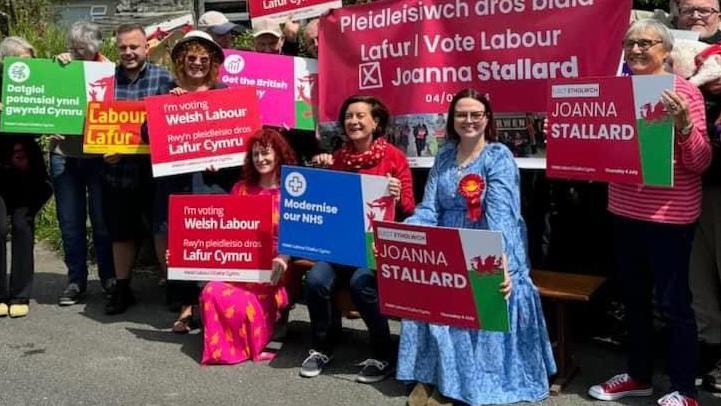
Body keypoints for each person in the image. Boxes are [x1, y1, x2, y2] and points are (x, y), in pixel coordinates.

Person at [396, 89, 555, 405]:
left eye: (475, 114)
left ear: (486, 118)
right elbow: (430, 208)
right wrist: (405, 233)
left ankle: (463, 381)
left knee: (479, 295)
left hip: (486, 243)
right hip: (447, 243)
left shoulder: (498, 157)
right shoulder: (443, 155)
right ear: (452, 119)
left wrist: (502, 264)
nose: (467, 120)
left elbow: (502, 218)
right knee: (424, 288)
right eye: (461, 114)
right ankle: (431, 376)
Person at [588, 19, 711, 406]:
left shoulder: (685, 92)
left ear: (665, 50)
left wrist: (685, 125)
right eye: (630, 43)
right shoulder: (612, 91)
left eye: (646, 42)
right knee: (634, 300)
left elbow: (701, 162)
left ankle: (685, 390)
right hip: (624, 210)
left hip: (670, 217)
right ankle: (639, 376)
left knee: (675, 305)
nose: (637, 49)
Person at [301, 95, 415, 383]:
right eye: (349, 116)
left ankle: (382, 354)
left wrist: (397, 195)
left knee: (360, 283)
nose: (353, 121)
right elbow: (329, 203)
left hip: (376, 248)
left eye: (360, 116)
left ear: (375, 122)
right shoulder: (339, 157)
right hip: (341, 245)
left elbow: (410, 211)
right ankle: (321, 347)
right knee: (315, 280)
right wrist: (321, 171)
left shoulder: (394, 158)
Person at [157, 30, 239, 333]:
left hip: (214, 183)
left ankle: (214, 308)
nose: (197, 64)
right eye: (191, 58)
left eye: (204, 59)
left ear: (213, 63)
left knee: (212, 245)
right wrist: (170, 106)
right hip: (178, 183)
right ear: (181, 60)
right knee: (180, 248)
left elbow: (241, 139)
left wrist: (226, 160)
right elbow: (146, 134)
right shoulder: (168, 92)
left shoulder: (225, 92)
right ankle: (185, 308)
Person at [200, 128, 296, 364]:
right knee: (211, 291)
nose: (261, 159)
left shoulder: (292, 192)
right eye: (255, 155)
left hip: (274, 267)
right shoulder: (240, 188)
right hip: (241, 264)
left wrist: (285, 258)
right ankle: (221, 348)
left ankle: (252, 339)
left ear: (279, 154)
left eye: (265, 153)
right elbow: (226, 231)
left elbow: (299, 236)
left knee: (246, 303)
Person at [102, 23, 175, 315]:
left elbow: (174, 122)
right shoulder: (105, 82)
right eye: (123, 48)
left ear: (147, 48)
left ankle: (172, 286)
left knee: (161, 230)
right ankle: (122, 289)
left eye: (134, 47)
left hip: (155, 171)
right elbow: (97, 125)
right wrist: (104, 150)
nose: (129, 52)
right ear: (116, 50)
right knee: (121, 233)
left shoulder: (164, 79)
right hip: (117, 172)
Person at [676, 0, 721, 391]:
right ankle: (709, 349)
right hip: (682, 186)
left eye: (704, 9)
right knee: (697, 277)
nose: (696, 16)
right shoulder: (669, 49)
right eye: (688, 9)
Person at [53, 21, 115, 306]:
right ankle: (75, 280)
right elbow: (42, 103)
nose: (77, 55)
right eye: (74, 49)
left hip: (98, 156)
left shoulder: (110, 71)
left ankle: (109, 278)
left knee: (102, 221)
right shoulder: (60, 66)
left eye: (83, 51)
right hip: (64, 154)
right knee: (70, 222)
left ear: (96, 49)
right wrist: (47, 125)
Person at [0, 37, 52, 318]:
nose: (30, 67)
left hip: (26, 172)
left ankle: (20, 294)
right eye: (24, 62)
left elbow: (56, 108)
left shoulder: (38, 86)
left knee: (22, 226)